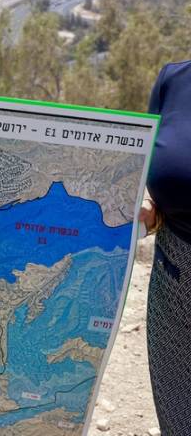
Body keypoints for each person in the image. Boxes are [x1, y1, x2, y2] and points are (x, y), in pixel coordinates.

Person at [139, 59, 191, 435]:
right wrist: (147, 205)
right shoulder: (174, 80)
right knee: (179, 418)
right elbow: (146, 169)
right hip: (175, 284)